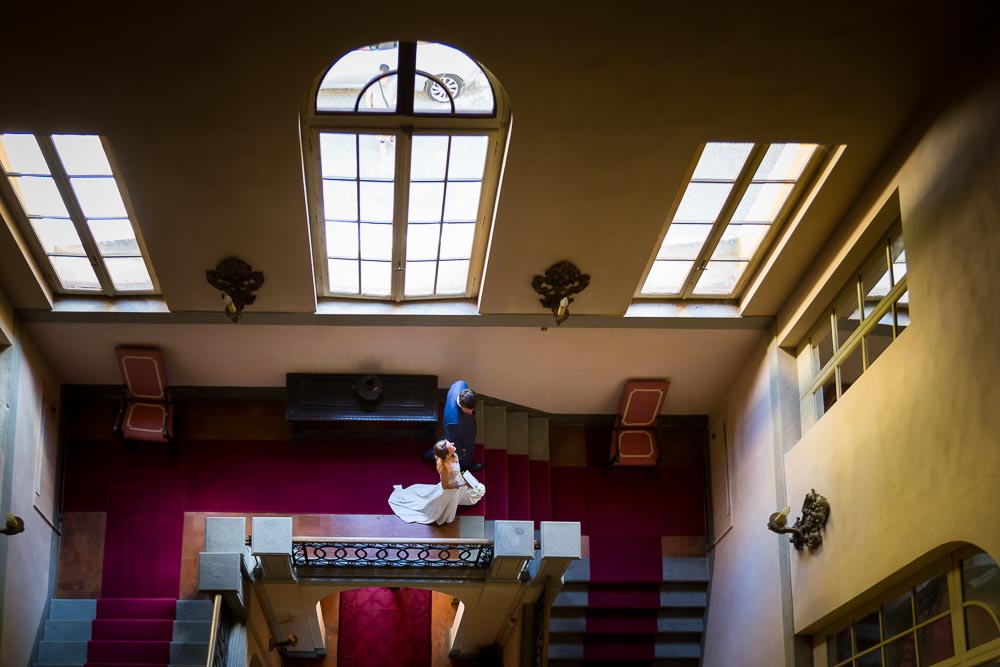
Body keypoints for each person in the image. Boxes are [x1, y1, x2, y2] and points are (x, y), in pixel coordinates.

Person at [388, 439, 481, 525]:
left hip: (458, 482)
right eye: (451, 446)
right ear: (448, 455)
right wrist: (463, 484)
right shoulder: (445, 468)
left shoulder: (450, 455)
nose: (453, 444)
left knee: (470, 497)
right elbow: (445, 486)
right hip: (451, 490)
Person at [425, 380, 481, 472]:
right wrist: (461, 452)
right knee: (464, 453)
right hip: (463, 438)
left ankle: (429, 455)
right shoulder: (453, 423)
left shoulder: (461, 384)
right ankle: (465, 466)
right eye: (468, 410)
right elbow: (453, 441)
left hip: (459, 430)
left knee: (443, 440)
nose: (471, 413)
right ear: (461, 404)